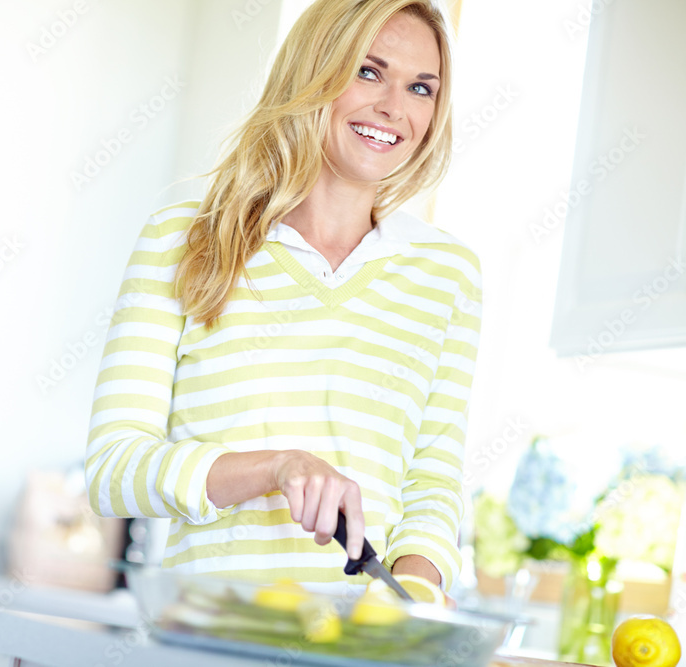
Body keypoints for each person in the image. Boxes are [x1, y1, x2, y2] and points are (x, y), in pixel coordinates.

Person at [85, 0, 481, 598]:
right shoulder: (186, 238)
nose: (394, 108)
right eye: (367, 72)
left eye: (421, 87)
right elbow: (115, 469)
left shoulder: (446, 274)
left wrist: (414, 603)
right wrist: (277, 468)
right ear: (312, 73)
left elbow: (433, 485)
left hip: (362, 648)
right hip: (211, 635)